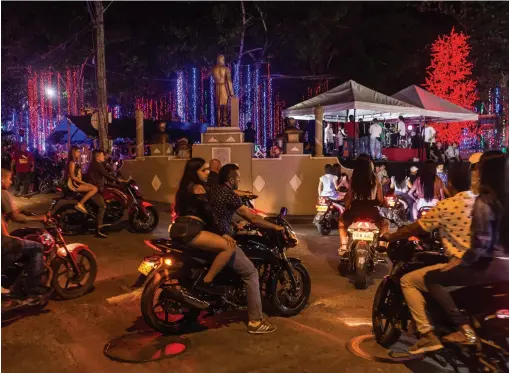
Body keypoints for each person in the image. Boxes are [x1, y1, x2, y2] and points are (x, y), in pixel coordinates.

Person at [381, 163, 476, 354]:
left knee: (407, 280)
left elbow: (416, 227)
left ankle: (427, 335)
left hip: (457, 265)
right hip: (482, 265)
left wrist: (391, 236)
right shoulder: (481, 202)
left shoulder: (447, 205)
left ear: (450, 183)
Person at [424, 151, 509, 345]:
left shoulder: (485, 201)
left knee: (432, 278)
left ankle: (463, 329)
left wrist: (460, 262)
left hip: (489, 267)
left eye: (478, 170)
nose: (476, 174)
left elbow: (481, 243)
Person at [209, 164, 284, 334]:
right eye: (238, 179)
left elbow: (220, 213)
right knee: (251, 273)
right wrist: (275, 227)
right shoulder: (229, 193)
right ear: (231, 180)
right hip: (222, 239)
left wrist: (234, 224)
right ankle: (255, 321)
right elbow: (252, 217)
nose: (239, 181)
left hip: (212, 234)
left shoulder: (214, 190)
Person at [170, 158, 235, 295]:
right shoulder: (198, 188)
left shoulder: (184, 188)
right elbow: (210, 214)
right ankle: (207, 282)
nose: (207, 173)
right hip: (193, 229)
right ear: (195, 172)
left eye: (208, 169)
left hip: (179, 227)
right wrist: (223, 232)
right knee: (228, 247)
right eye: (203, 170)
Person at [1, 168, 51, 297]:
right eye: (9, 178)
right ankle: (33, 288)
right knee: (37, 247)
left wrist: (27, 212)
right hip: (2, 241)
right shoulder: (2, 193)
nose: (11, 182)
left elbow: (13, 211)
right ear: (1, 179)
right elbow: (16, 217)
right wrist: (38, 218)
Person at [338, 154, 387, 255]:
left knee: (341, 222)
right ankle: (382, 245)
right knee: (385, 223)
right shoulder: (376, 179)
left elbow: (349, 198)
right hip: (371, 210)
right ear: (370, 165)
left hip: (355, 209)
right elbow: (380, 199)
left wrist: (346, 210)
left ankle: (343, 246)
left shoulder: (353, 179)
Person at [85, 149, 126, 238]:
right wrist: (117, 180)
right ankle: (99, 229)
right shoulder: (96, 164)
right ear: (98, 157)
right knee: (102, 206)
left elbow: (105, 175)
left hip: (97, 187)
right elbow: (106, 175)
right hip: (94, 189)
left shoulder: (97, 164)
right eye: (102, 155)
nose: (104, 156)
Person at [66, 146, 98, 214]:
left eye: (79, 151)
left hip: (76, 183)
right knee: (94, 188)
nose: (79, 153)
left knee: (93, 186)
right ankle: (80, 203)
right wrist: (85, 183)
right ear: (73, 153)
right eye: (77, 151)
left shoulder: (75, 162)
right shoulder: (72, 163)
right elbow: (73, 177)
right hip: (74, 185)